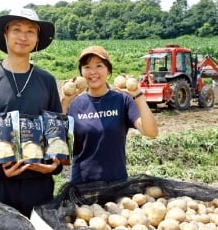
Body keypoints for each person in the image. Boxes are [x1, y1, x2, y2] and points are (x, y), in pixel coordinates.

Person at [0, 8, 62, 217]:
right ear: (5, 35)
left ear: (37, 39)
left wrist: (54, 166)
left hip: (38, 183)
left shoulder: (47, 80)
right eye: (17, 29)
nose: (23, 36)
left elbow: (56, 131)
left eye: (30, 31)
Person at [61, 45, 158, 184]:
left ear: (108, 70)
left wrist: (139, 96)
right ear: (81, 72)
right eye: (87, 67)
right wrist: (64, 104)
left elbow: (151, 132)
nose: (93, 72)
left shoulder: (122, 100)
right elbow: (62, 151)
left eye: (99, 66)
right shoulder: (74, 104)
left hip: (116, 183)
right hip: (81, 184)